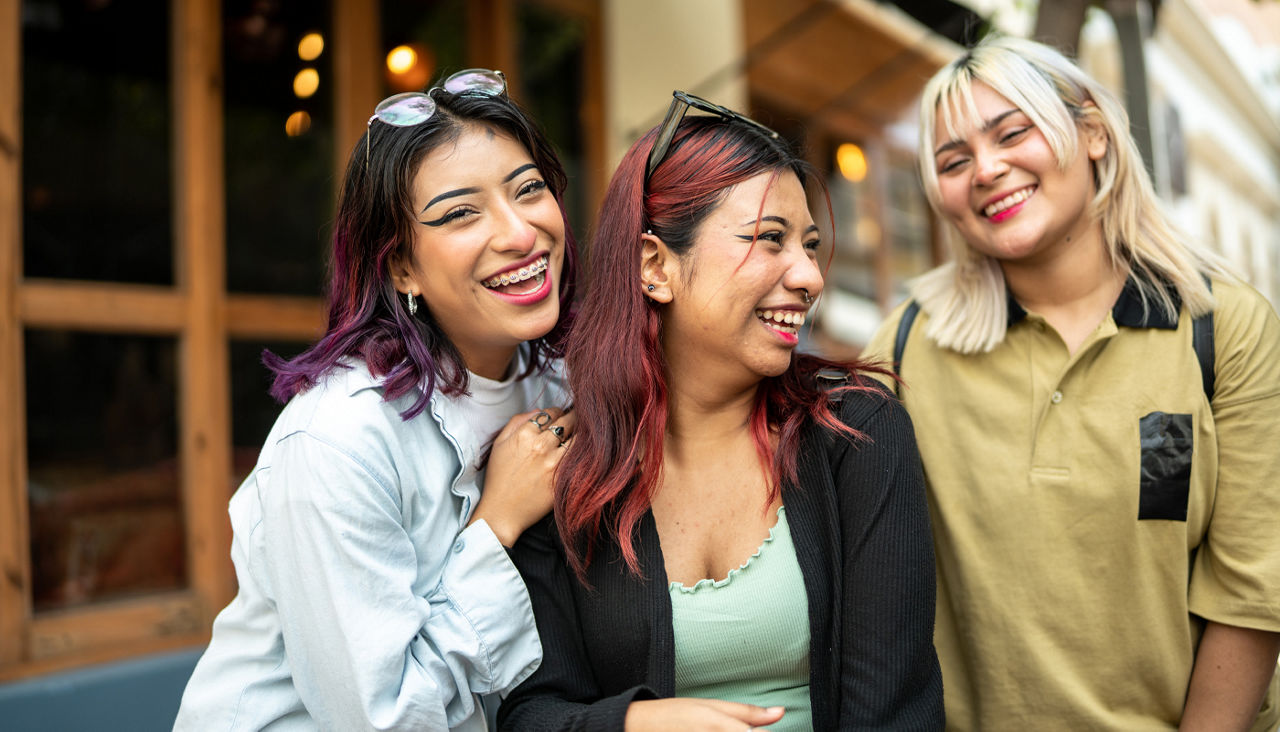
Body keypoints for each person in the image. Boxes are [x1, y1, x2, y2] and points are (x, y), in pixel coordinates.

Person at [861, 35, 1280, 730]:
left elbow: (1253, 589)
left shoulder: (1225, 329)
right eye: (954, 161)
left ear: (1090, 132)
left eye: (1012, 133)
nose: (987, 170)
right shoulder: (906, 347)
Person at [498, 91, 943, 732]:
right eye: (769, 240)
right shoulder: (567, 472)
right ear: (656, 266)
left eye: (810, 245)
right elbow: (527, 714)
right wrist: (633, 725)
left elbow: (896, 713)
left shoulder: (856, 433)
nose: (810, 276)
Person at [174, 68, 579, 731]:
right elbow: (385, 720)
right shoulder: (337, 440)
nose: (518, 232)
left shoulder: (559, 383)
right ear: (401, 267)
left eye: (528, 189)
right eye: (460, 213)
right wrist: (497, 524)